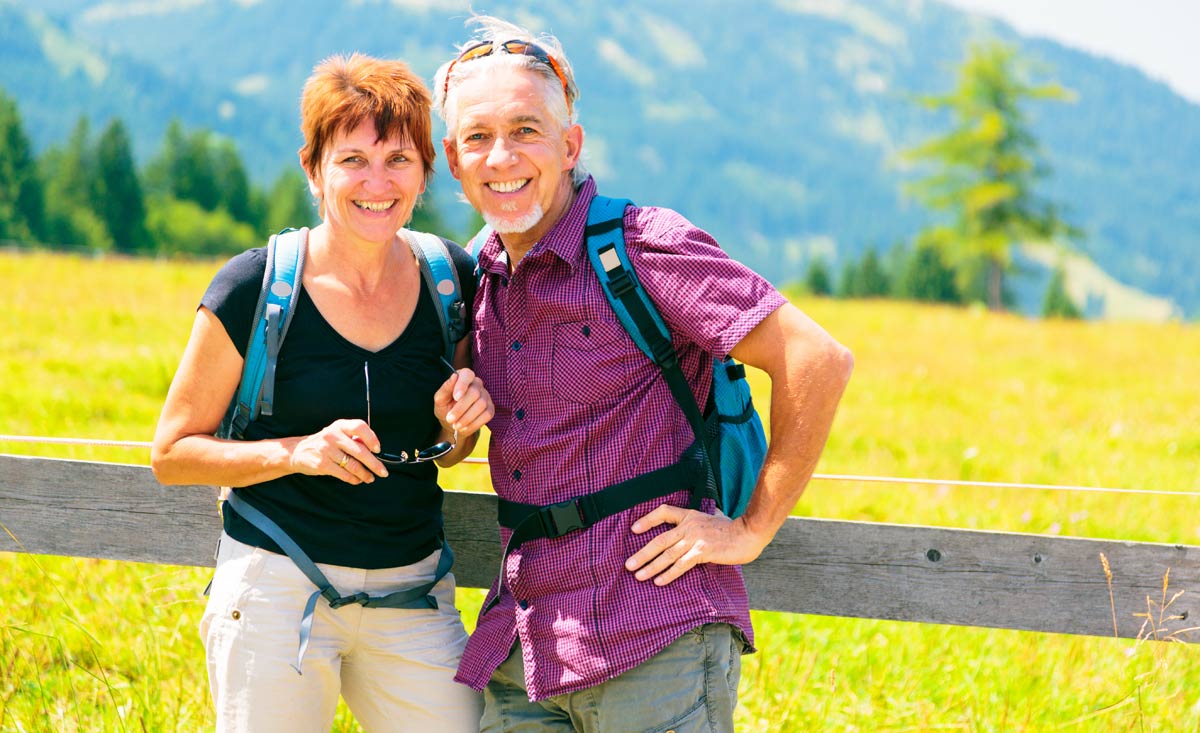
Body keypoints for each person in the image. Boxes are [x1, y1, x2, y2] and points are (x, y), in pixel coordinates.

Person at [433, 15, 854, 733]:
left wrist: (750, 530)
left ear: (570, 145)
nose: (501, 155)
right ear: (453, 158)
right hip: (525, 646)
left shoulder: (642, 246)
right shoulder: (472, 275)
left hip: (654, 638)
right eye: (478, 136)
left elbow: (817, 358)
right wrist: (452, 424)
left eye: (527, 130)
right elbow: (462, 448)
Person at [151, 53, 490, 733]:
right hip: (279, 586)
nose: (377, 181)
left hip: (413, 589)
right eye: (352, 159)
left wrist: (461, 427)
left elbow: (451, 454)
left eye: (398, 159)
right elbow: (172, 452)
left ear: (425, 172)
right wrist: (298, 452)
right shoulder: (254, 288)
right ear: (314, 168)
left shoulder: (449, 280)